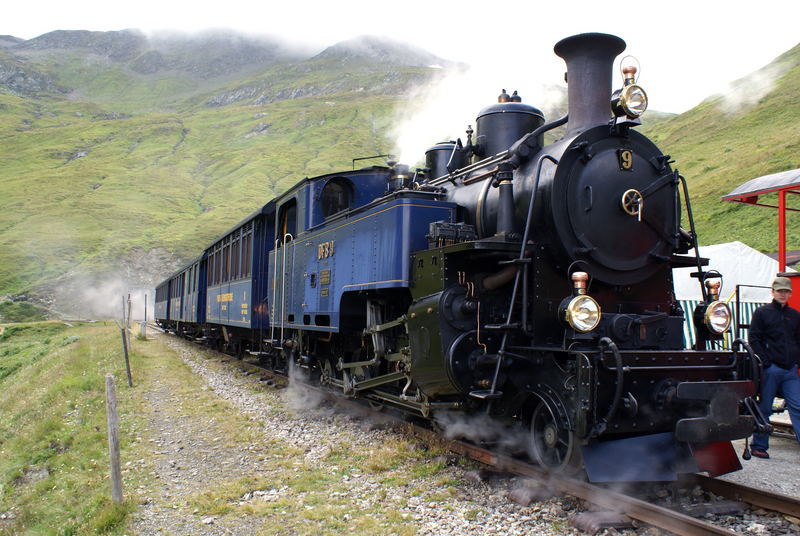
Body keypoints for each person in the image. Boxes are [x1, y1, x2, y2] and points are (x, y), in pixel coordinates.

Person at [747, 276, 800, 458]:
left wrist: (796, 361)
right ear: (773, 292)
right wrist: (766, 362)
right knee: (765, 407)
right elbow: (754, 338)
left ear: (790, 294)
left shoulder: (795, 315)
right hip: (772, 369)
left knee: (798, 406)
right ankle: (759, 446)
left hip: (790, 369)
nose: (783, 294)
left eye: (786, 291)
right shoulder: (762, 313)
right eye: (780, 291)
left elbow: (798, 340)